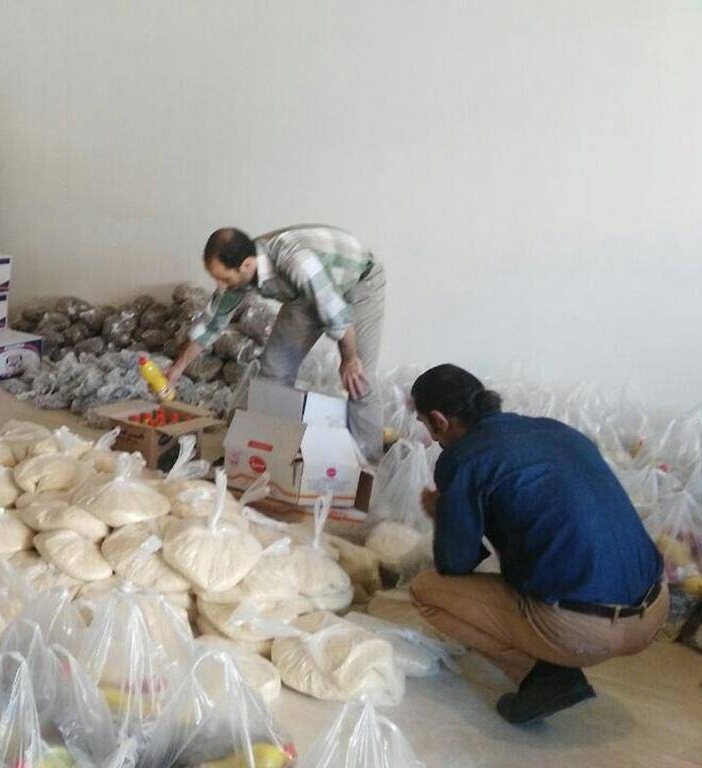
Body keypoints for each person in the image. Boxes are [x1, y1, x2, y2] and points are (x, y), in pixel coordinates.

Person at [406, 364, 667, 725]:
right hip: (655, 608)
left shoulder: (464, 458)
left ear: (439, 421)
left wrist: (441, 512)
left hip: (588, 629)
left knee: (426, 591)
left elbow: (455, 564)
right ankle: (552, 653)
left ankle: (544, 678)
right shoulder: (557, 429)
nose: (431, 438)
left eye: (424, 424)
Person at [166, 225, 387, 461]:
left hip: (359, 282)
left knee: (359, 380)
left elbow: (337, 315)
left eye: (224, 278)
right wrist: (177, 369)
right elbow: (211, 324)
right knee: (273, 373)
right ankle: (263, 456)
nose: (221, 285)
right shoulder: (242, 270)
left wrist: (350, 359)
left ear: (247, 265)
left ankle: (367, 470)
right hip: (306, 293)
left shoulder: (296, 261)